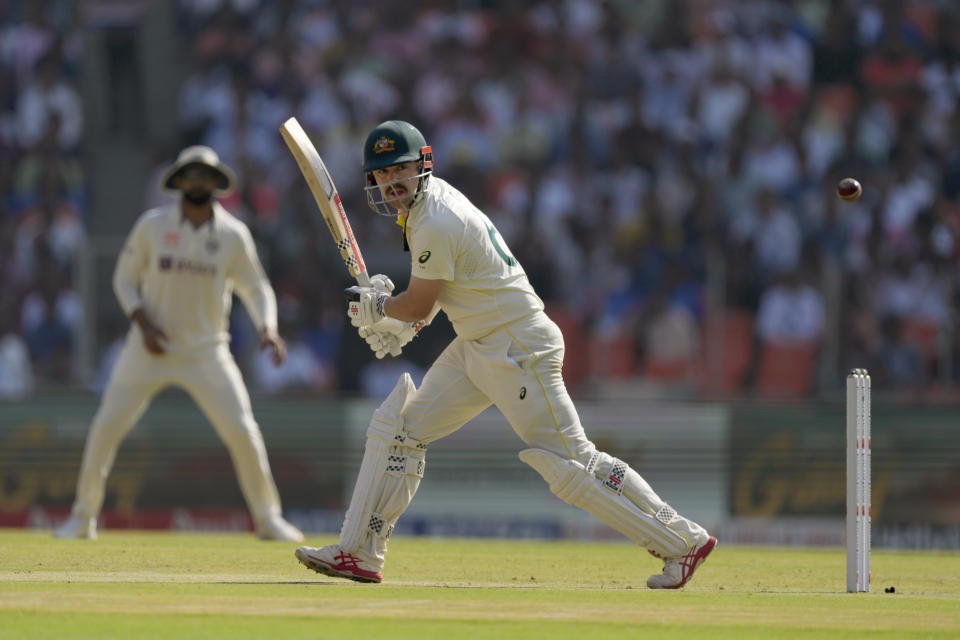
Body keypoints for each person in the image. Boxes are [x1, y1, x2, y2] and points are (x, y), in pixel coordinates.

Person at [294, 121, 715, 588]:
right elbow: (442, 294)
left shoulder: (433, 220)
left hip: (516, 347)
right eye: (381, 174)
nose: (391, 182)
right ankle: (360, 552)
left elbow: (417, 302)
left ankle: (682, 541)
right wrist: (401, 324)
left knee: (572, 465)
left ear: (423, 164)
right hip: (479, 344)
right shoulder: (424, 209)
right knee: (400, 431)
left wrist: (381, 309)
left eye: (400, 169)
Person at [54, 146, 303, 542]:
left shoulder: (232, 234)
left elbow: (256, 288)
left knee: (242, 430)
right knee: (106, 426)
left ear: (217, 183)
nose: (198, 181)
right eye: (191, 174)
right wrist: (143, 322)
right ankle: (82, 517)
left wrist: (267, 328)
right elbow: (123, 279)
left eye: (206, 175)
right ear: (179, 181)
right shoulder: (153, 226)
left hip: (207, 350)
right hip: (147, 347)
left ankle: (268, 518)